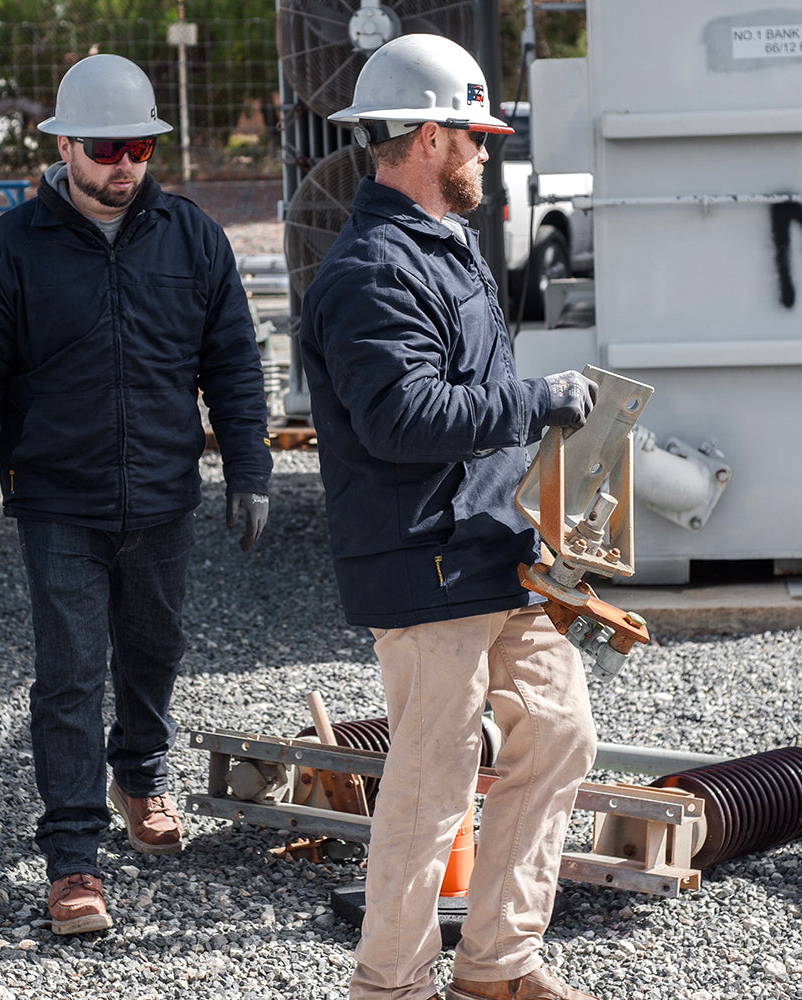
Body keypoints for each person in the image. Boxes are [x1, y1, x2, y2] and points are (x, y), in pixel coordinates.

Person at [0, 53, 272, 935]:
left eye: (136, 147)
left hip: (164, 496)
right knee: (71, 674)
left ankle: (142, 775)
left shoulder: (192, 237)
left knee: (155, 648)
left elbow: (233, 363)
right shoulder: (9, 248)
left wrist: (251, 470)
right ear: (66, 147)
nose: (121, 164)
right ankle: (74, 861)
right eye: (103, 147)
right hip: (58, 502)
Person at [298, 34, 601, 1000]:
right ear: (429, 136)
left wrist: (541, 511)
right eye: (472, 134)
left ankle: (498, 965)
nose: (484, 150)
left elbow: (466, 395)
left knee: (560, 736)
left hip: (490, 550)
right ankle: (389, 984)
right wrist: (539, 402)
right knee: (431, 788)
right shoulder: (371, 273)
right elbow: (404, 421)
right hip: (424, 563)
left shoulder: (445, 245)